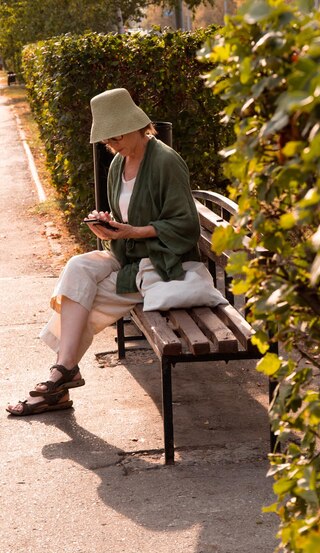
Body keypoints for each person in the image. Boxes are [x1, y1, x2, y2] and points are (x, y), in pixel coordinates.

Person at [7, 87, 201, 416]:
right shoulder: (117, 165)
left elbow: (186, 225)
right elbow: (127, 219)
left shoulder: (166, 162)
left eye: (114, 137)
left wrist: (134, 232)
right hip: (129, 255)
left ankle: (59, 378)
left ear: (133, 126)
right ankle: (63, 375)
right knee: (78, 269)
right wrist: (107, 225)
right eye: (107, 141)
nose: (110, 146)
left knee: (81, 299)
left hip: (161, 264)